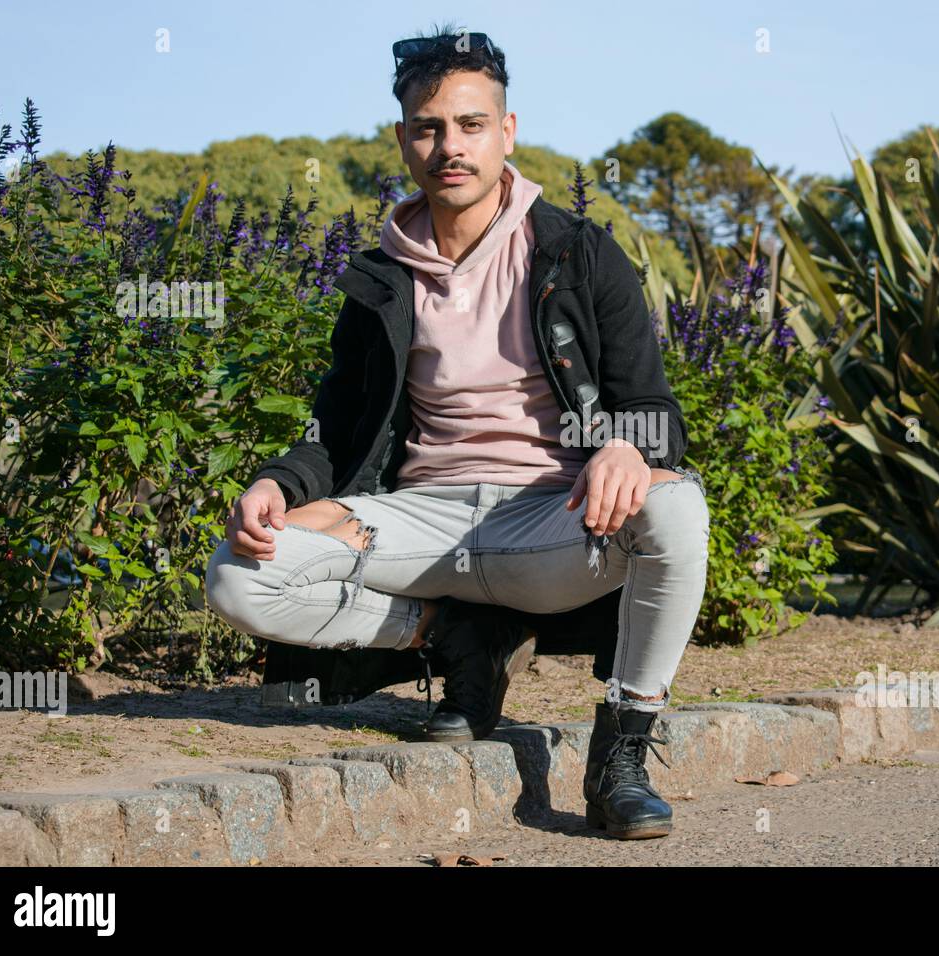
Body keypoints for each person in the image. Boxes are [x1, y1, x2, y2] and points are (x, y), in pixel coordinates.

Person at [204, 25, 710, 840]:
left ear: (506, 133)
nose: (451, 145)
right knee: (238, 574)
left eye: (472, 125)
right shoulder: (378, 277)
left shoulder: (579, 255)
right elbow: (337, 425)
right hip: (422, 519)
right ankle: (455, 638)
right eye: (431, 127)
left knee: (677, 507)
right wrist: (279, 482)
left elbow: (655, 409)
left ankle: (623, 751)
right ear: (404, 139)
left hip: (553, 519)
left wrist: (630, 446)